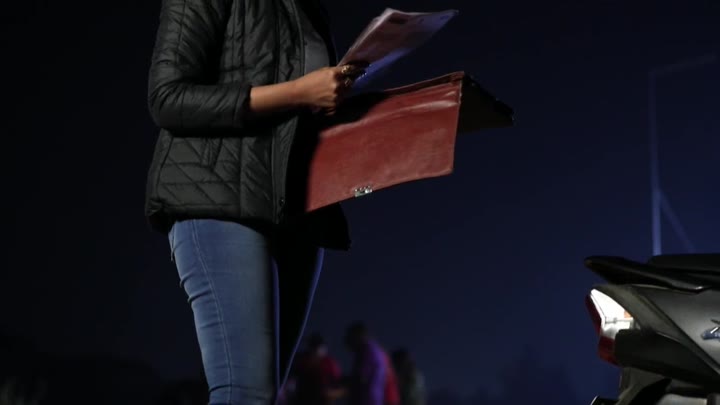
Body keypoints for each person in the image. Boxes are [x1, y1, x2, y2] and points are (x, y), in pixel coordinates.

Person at [144, 0, 365, 403]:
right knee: (247, 394)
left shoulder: (309, 8)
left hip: (297, 209)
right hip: (218, 198)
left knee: (264, 395)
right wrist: (299, 92)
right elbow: (167, 97)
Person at [343, 322, 391, 405]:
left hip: (368, 401)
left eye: (349, 338)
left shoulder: (368, 351)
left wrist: (340, 389)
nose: (347, 341)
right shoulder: (373, 349)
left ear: (356, 337)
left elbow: (360, 379)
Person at [289, 333, 342, 405]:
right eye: (314, 346)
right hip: (302, 398)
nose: (316, 350)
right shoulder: (302, 360)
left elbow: (337, 383)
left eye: (319, 346)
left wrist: (331, 393)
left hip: (322, 399)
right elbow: (293, 379)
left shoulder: (329, 363)